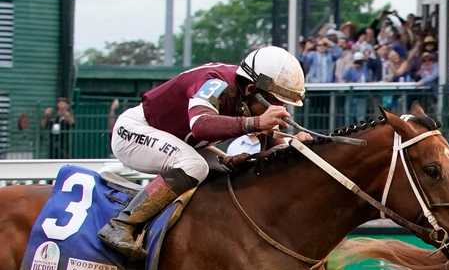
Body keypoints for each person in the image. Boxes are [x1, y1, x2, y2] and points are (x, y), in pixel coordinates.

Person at [98, 46, 306, 259]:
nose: (280, 108)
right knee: (194, 166)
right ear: (251, 89)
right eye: (275, 102)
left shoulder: (247, 95)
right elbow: (201, 125)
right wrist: (256, 122)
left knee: (230, 168)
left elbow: (270, 148)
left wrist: (296, 144)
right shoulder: (215, 83)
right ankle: (121, 225)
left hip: (180, 142)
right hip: (134, 131)